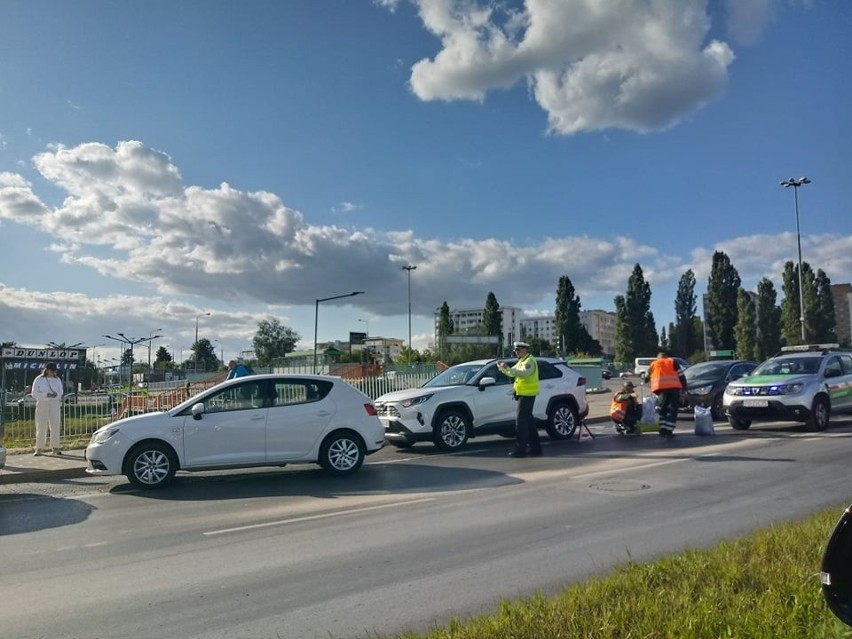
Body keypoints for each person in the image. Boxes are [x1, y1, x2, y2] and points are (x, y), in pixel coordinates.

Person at [497, 341, 541, 457]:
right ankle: (536, 449)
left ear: (525, 349)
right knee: (529, 423)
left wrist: (508, 368)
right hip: (523, 394)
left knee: (521, 423)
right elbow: (512, 373)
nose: (516, 352)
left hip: (528, 395)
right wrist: (503, 368)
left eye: (518, 350)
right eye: (516, 350)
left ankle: (520, 449)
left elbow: (524, 374)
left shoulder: (529, 361)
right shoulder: (522, 361)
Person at [648, 351, 684, 439]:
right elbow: (681, 376)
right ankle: (669, 431)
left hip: (661, 390)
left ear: (658, 358)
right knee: (672, 410)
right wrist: (684, 388)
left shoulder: (653, 364)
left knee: (662, 409)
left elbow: (647, 376)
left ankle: (662, 430)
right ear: (666, 357)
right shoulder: (672, 362)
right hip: (674, 389)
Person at [31, 362, 64, 456]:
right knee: (41, 426)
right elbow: (34, 393)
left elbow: (61, 391)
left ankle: (56, 447)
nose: (54, 373)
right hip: (42, 403)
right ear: (48, 370)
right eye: (53, 371)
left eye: (55, 371)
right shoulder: (39, 379)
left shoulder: (57, 380)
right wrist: (46, 395)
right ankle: (39, 448)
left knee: (55, 425)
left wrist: (56, 395)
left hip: (54, 404)